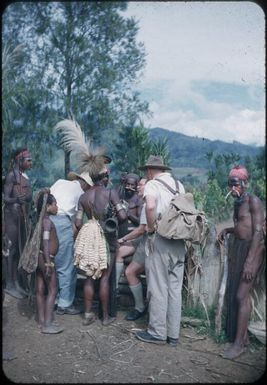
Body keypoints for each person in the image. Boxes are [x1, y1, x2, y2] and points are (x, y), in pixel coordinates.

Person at [135, 155, 186, 347]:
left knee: (157, 287)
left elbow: (150, 206)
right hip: (179, 242)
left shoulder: (152, 185)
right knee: (174, 289)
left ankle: (157, 332)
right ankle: (173, 334)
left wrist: (150, 227)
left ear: (149, 170)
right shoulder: (179, 185)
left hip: (161, 240)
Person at [218, 165, 265, 359]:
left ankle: (239, 345)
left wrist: (250, 261)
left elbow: (257, 232)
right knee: (237, 294)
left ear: (244, 183)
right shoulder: (238, 202)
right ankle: (242, 338)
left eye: (235, 184)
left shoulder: (253, 201)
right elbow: (242, 226)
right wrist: (226, 230)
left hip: (253, 251)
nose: (232, 188)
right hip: (239, 248)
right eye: (230, 184)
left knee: (240, 296)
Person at [74, 164, 127, 326]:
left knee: (89, 277)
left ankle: (88, 315)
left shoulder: (83, 197)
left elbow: (77, 222)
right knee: (104, 278)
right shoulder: (110, 193)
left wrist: (90, 227)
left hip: (89, 239)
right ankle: (105, 318)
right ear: (105, 177)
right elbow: (123, 216)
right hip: (106, 237)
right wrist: (121, 208)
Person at [50, 171, 93, 315]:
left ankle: (53, 298)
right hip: (62, 222)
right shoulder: (81, 194)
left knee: (51, 262)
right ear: (86, 184)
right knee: (66, 265)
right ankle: (65, 303)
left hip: (46, 220)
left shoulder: (60, 182)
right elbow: (76, 222)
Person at [116, 177, 148, 321]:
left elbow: (141, 227)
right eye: (127, 184)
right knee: (118, 252)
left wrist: (127, 213)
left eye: (135, 185)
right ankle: (114, 288)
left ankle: (140, 307)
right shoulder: (122, 195)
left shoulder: (143, 202)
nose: (131, 187)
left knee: (131, 271)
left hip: (141, 239)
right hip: (136, 239)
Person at [3, 147, 33, 299]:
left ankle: (15, 282)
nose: (30, 162)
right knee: (11, 251)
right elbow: (6, 199)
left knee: (17, 252)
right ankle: (9, 285)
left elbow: (28, 198)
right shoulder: (11, 177)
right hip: (11, 218)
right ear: (19, 160)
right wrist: (17, 200)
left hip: (20, 217)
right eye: (28, 160)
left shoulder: (24, 178)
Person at [34, 190, 64, 334]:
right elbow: (45, 243)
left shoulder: (40, 220)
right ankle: (47, 324)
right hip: (46, 258)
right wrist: (48, 263)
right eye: (55, 204)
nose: (57, 207)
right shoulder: (47, 221)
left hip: (38, 258)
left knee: (40, 289)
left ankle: (41, 320)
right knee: (52, 289)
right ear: (48, 206)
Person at [118, 173, 143, 238]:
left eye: (132, 185)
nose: (129, 187)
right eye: (128, 184)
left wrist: (128, 214)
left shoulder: (138, 200)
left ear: (136, 186)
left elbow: (140, 221)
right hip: (119, 232)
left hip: (132, 233)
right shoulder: (120, 197)